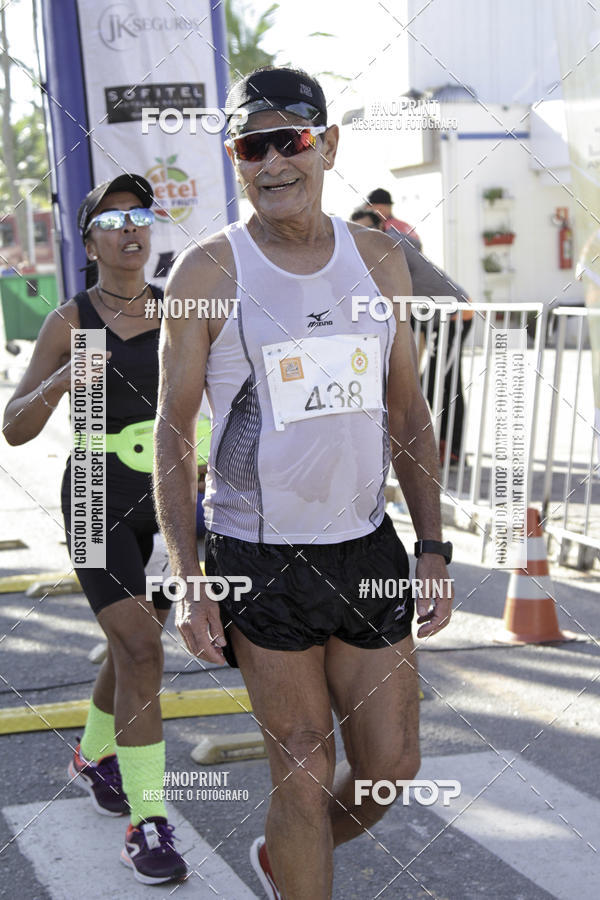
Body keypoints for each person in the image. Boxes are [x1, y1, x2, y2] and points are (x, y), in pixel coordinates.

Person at [154, 66, 453, 900]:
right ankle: (301, 873)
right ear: (235, 158)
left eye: (291, 139)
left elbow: (409, 412)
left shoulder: (383, 259)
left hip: (365, 543)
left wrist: (431, 546)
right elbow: (177, 436)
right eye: (254, 145)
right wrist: (190, 576)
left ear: (326, 145)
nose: (274, 160)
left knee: (391, 765)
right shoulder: (207, 272)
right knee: (301, 761)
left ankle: (286, 859)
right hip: (257, 551)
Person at [2, 174, 187, 886]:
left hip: (169, 495)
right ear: (90, 242)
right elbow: (13, 429)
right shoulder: (70, 321)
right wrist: (58, 385)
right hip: (93, 494)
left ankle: (90, 753)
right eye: (115, 220)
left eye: (142, 215)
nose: (132, 229)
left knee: (133, 644)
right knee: (141, 647)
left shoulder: (181, 310)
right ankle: (149, 825)